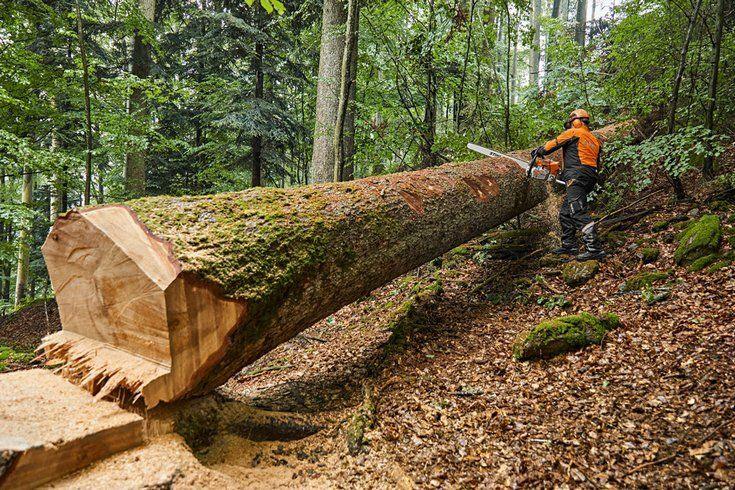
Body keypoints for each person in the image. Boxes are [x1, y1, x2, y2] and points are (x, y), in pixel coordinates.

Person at [532, 109, 606, 261]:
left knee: (577, 212)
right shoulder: (594, 140)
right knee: (566, 212)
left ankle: (594, 248)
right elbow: (596, 163)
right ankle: (569, 244)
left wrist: (538, 151)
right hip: (590, 177)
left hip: (576, 176)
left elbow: (552, 145)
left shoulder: (574, 132)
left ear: (576, 121)